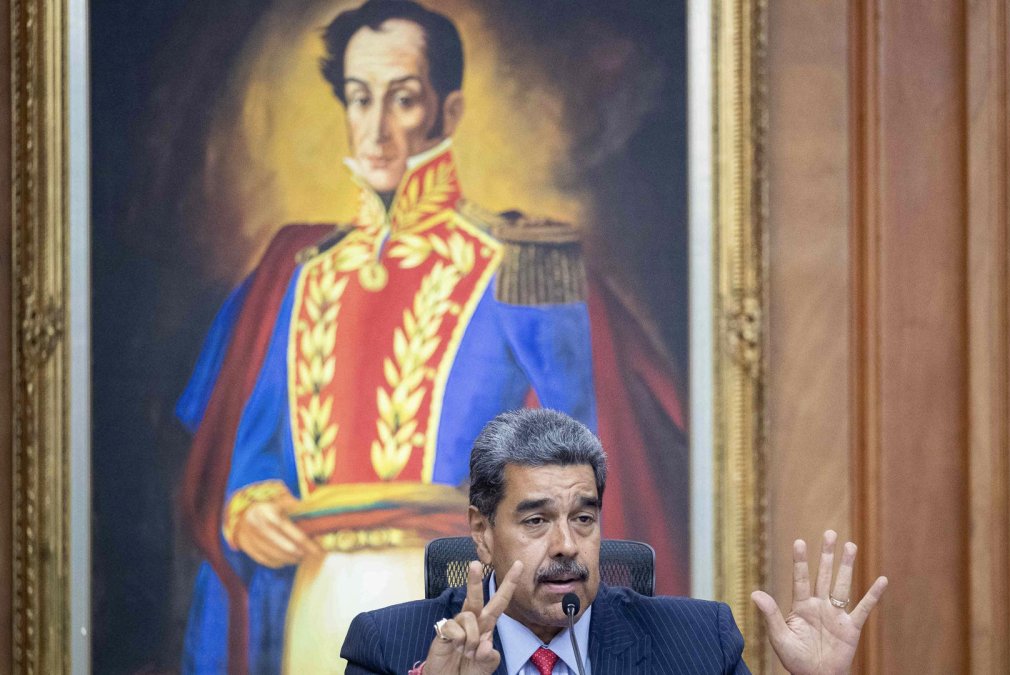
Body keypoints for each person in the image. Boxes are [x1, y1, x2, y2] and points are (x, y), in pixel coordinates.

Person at [177, 1, 689, 673]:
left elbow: (585, 468)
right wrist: (251, 504)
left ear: (446, 113)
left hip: (466, 611)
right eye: (361, 99)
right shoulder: (300, 274)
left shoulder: (521, 265)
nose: (377, 128)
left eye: (404, 99)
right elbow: (256, 450)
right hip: (314, 605)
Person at [341, 408, 889, 674]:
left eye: (583, 518)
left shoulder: (698, 645)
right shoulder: (390, 646)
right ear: (483, 533)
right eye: (535, 522)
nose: (566, 546)